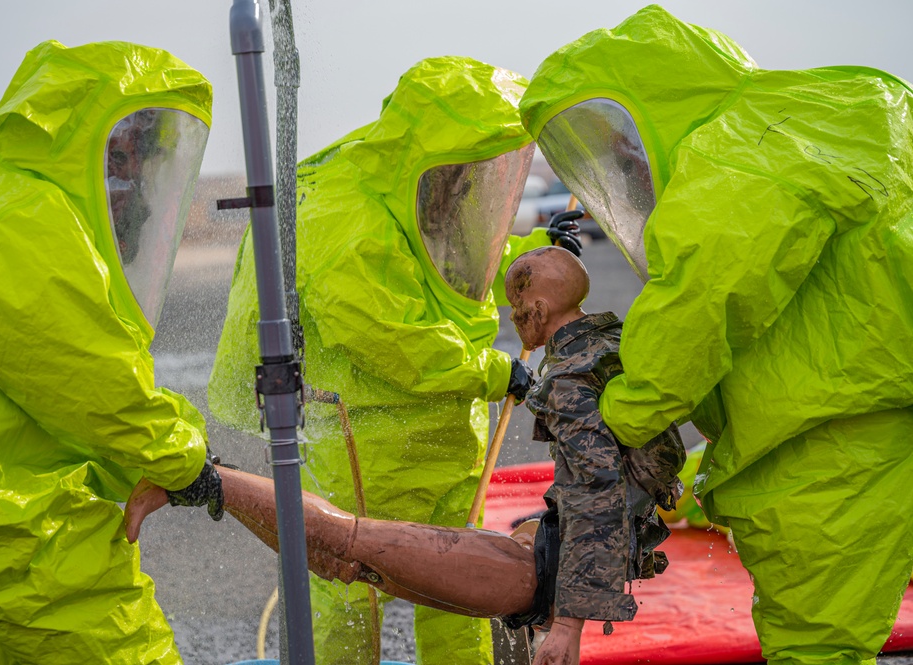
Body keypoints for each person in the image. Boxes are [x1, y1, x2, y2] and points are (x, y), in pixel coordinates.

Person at [518, 5, 913, 663]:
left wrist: (623, 410)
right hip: (873, 406)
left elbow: (702, 296)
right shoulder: (839, 110)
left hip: (831, 439)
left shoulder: (736, 152)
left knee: (815, 642)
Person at [133, 246, 684, 665]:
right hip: (538, 559)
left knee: (344, 548)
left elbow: (596, 501)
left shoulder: (569, 379)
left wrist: (567, 626)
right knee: (347, 555)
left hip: (531, 575)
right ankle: (207, 483)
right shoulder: (610, 346)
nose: (513, 320)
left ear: (541, 308)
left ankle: (206, 482)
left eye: (518, 311)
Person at [208, 56, 581, 665]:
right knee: (350, 577)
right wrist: (488, 372)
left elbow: (451, 264)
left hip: (446, 442)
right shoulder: (344, 219)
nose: (469, 184)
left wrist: (530, 254)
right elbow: (395, 336)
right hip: (368, 448)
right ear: (430, 147)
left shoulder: (420, 188)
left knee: (458, 587)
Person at [0, 41, 224, 664]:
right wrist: (186, 461)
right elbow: (87, 381)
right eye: (125, 154)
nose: (131, 182)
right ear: (92, 142)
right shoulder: (25, 214)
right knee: (128, 649)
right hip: (4, 510)